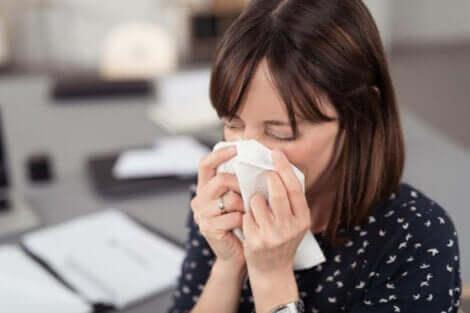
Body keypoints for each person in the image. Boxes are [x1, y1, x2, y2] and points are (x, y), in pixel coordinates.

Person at [167, 0, 462, 312]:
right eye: (232, 123)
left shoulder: (416, 238)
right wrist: (228, 265)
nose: (247, 152)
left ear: (361, 114)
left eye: (281, 133)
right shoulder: (222, 200)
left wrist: (272, 277)